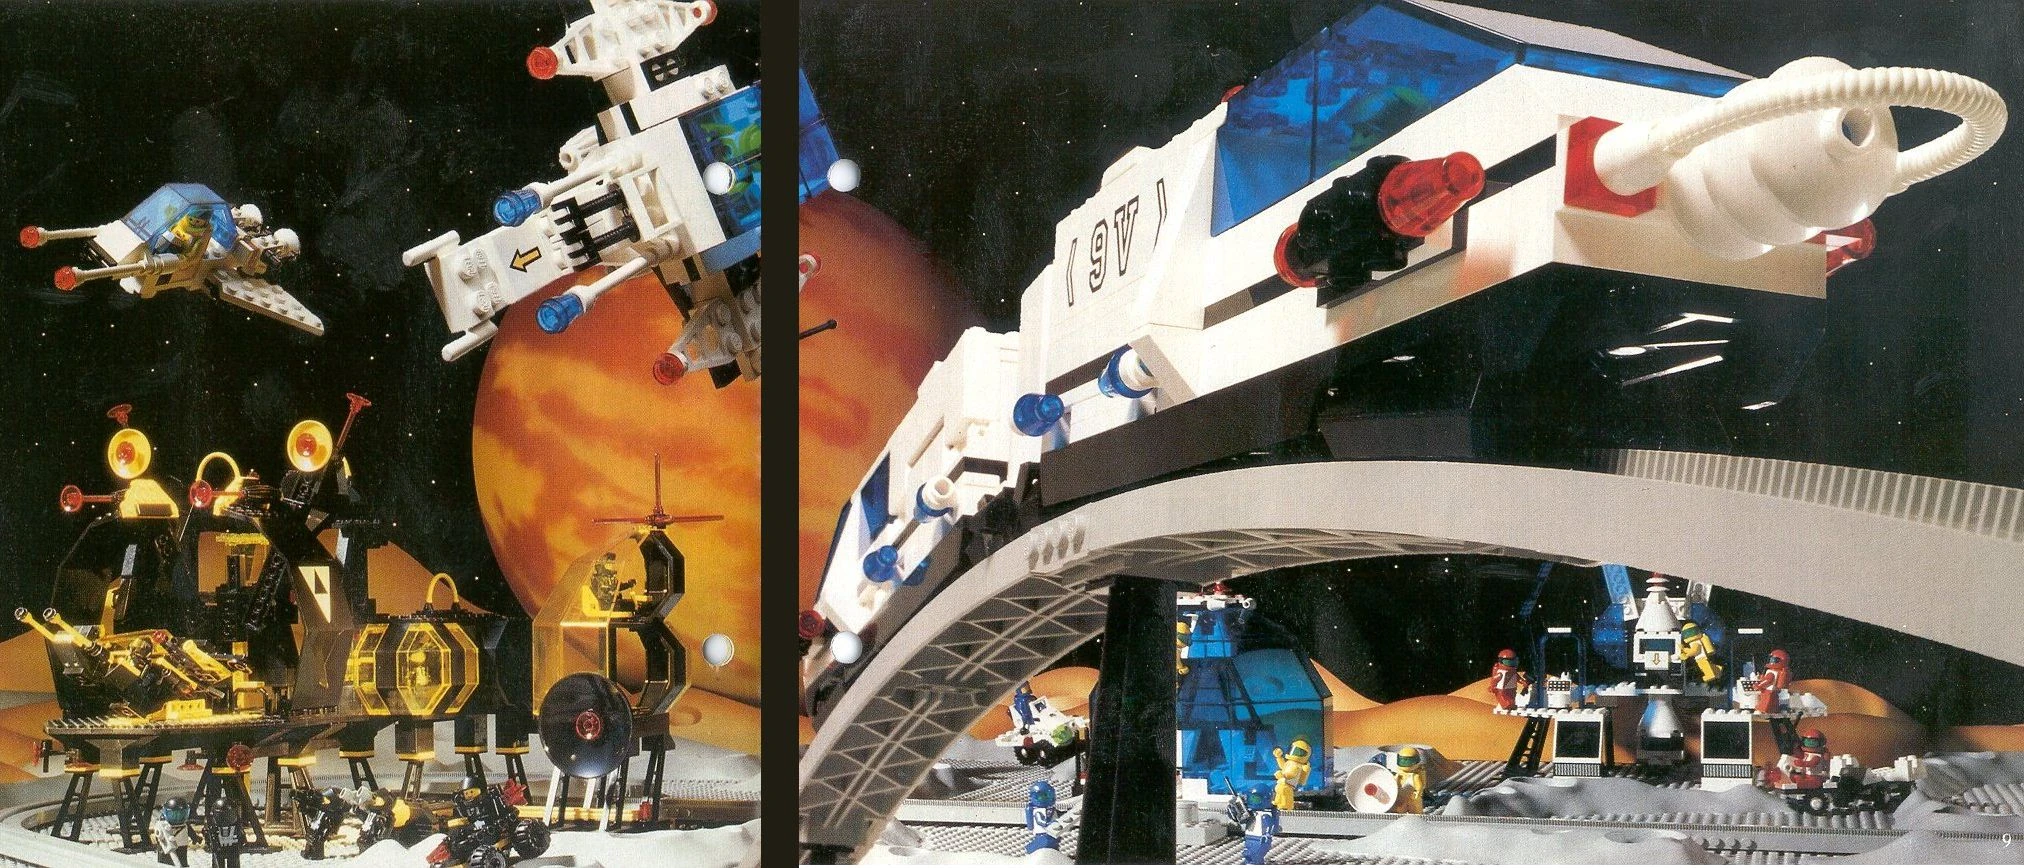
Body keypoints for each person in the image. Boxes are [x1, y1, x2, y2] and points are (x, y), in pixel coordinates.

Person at [1270, 739, 1311, 811]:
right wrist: (1279, 757)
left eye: (1298, 752)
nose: (1295, 753)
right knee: (1279, 790)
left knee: (1285, 793)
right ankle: (1278, 801)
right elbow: (1283, 767)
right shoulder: (1290, 762)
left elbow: (1291, 774)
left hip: (1288, 784)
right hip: (1283, 782)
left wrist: (1282, 776)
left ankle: (1285, 805)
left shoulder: (1298, 766)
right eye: (1294, 750)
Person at [153, 797, 193, 867]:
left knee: (182, 859)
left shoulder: (184, 825)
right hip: (166, 850)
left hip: (182, 846)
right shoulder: (163, 825)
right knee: (166, 861)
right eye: (173, 815)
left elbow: (190, 831)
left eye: (180, 814)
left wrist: (195, 837)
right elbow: (159, 837)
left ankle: (183, 864)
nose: (177, 818)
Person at [1024, 781, 1063, 853]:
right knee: (1047, 841)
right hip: (1043, 833)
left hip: (1052, 832)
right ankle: (1031, 849)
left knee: (1054, 843)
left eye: (1048, 795)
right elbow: (1040, 821)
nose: (1046, 798)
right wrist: (1048, 823)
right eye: (1042, 797)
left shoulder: (1051, 809)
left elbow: (1057, 816)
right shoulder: (1038, 811)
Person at [1756, 649, 1791, 713]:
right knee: (1774, 701)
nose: (1771, 661)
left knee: (1765, 701)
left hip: (1768, 690)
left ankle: (1763, 710)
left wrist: (1759, 686)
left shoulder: (1771, 672)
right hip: (1775, 690)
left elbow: (1768, 680)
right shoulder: (1781, 671)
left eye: (1773, 660)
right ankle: (1774, 710)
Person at [1394, 747, 1426, 815]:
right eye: (1403, 760)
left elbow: (1419, 787)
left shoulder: (1415, 776)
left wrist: (1417, 794)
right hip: (1401, 798)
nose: (1405, 762)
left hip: (1412, 798)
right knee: (1399, 810)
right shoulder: (1399, 773)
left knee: (1415, 811)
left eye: (1408, 761)